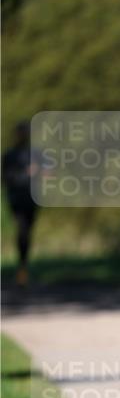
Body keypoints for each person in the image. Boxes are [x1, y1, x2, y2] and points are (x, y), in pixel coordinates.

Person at [2, 120, 41, 285]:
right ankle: (22, 267)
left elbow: (49, 172)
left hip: (32, 198)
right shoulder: (9, 155)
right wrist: (23, 174)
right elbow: (4, 178)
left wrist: (39, 171)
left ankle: (23, 264)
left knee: (27, 231)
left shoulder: (36, 154)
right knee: (22, 230)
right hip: (16, 199)